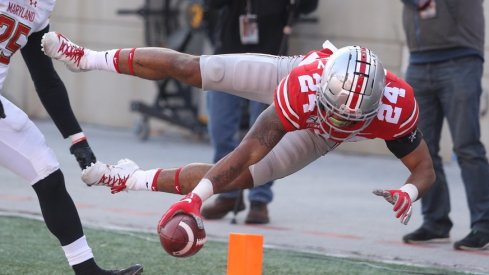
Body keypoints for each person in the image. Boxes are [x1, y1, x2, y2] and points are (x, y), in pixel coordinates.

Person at [41, 32, 436, 234]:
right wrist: (196, 201)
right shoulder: (304, 86)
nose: (343, 123)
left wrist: (409, 190)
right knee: (195, 68)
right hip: (290, 79)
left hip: (318, 139)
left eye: (354, 121)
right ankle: (86, 58)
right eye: (338, 113)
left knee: (238, 181)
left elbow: (424, 169)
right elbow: (248, 148)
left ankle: (128, 178)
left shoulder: (396, 107)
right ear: (324, 90)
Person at [0, 1, 143, 274]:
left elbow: (45, 78)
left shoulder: (40, 6)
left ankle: (86, 270)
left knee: (47, 173)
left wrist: (77, 139)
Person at [201, 0, 317, 224]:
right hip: (228, 54)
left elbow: (309, 5)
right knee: (220, 128)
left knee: (266, 134)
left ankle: (259, 199)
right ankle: (226, 191)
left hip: (272, 59)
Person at [399, 0, 489, 250]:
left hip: (460, 59)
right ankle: (435, 222)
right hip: (418, 60)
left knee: (467, 147)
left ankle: (485, 225)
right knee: (422, 149)